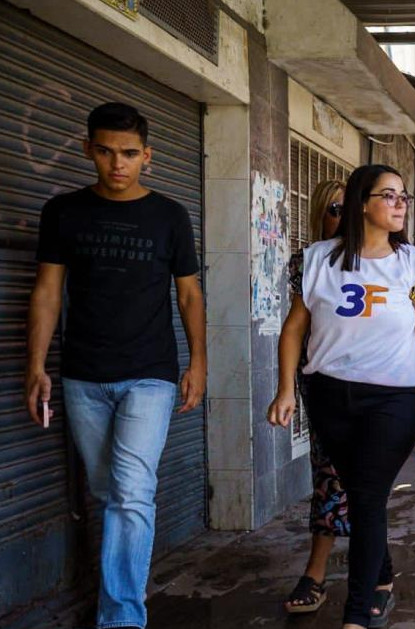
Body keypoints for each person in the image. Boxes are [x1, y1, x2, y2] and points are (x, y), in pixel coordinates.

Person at [25, 102, 206, 629]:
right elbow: (47, 292)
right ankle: (116, 594)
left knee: (130, 492)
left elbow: (189, 295)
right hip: (82, 373)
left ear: (147, 156)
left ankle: (121, 617)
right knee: (108, 492)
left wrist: (199, 361)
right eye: (105, 151)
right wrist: (36, 365)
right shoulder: (63, 212)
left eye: (129, 153)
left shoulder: (169, 215)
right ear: (89, 150)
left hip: (150, 373)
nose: (117, 163)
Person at [267, 164, 415, 629]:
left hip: (393, 401)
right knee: (359, 494)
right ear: (360, 203)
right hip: (329, 398)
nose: (400, 204)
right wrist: (286, 388)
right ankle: (381, 576)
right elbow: (294, 329)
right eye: (388, 195)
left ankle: (356, 615)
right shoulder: (316, 259)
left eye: (403, 196)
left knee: (367, 497)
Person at [283, 179, 347, 614]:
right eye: (334, 209)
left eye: (351, 208)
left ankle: (377, 573)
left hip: (387, 389)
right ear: (320, 215)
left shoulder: (402, 260)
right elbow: (294, 327)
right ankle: (316, 571)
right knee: (329, 473)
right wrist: (285, 387)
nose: (344, 218)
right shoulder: (308, 263)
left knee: (370, 481)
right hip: (325, 385)